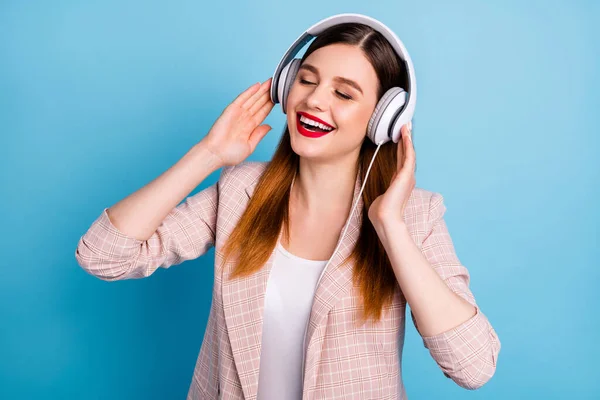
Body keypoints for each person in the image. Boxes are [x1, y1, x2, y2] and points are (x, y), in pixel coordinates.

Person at [75, 20, 500, 400]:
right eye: (307, 80)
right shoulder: (242, 191)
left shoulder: (417, 217)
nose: (314, 100)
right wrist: (208, 154)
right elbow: (103, 256)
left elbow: (473, 367)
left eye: (343, 93)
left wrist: (390, 227)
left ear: (382, 119)